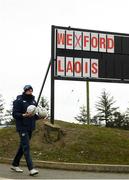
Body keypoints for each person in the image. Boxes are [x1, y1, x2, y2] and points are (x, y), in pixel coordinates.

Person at [11, 85, 40, 176]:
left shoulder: (33, 101)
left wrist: (39, 116)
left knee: (23, 146)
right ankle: (31, 169)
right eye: (28, 90)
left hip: (30, 127)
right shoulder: (19, 101)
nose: (30, 91)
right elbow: (15, 114)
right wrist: (23, 115)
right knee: (26, 147)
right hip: (22, 126)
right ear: (24, 91)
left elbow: (34, 115)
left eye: (31, 90)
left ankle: (15, 164)